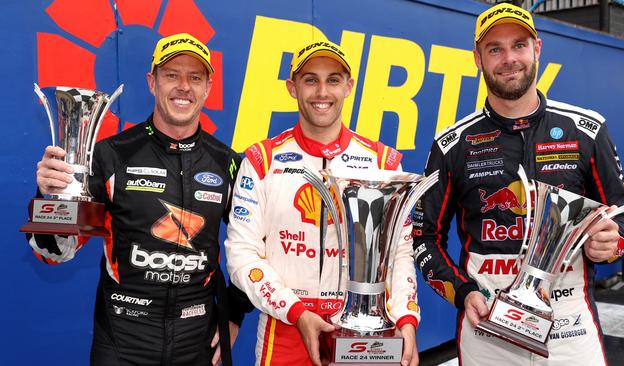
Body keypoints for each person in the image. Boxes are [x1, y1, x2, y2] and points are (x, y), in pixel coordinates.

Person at [413, 3, 624, 365]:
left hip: (571, 331)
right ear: (477, 58)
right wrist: (462, 292)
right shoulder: (451, 145)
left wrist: (614, 241)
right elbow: (424, 239)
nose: (509, 59)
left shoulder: (586, 131)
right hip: (486, 327)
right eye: (494, 49)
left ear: (537, 48)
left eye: (518, 45)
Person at [28, 33, 252, 366]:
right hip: (122, 342)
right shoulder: (111, 155)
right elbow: (55, 254)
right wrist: (50, 194)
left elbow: (252, 244)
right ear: (152, 82)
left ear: (208, 87)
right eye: (171, 75)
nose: (183, 87)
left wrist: (233, 313)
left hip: (197, 342)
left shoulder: (228, 163)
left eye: (195, 77)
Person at [224, 40, 420, 366]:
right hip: (286, 327)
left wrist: (405, 319)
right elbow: (241, 255)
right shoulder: (261, 160)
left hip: (364, 327)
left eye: (333, 80)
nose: (321, 92)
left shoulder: (383, 163)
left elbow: (399, 254)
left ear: (349, 86)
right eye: (310, 79)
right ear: (292, 87)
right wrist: (297, 312)